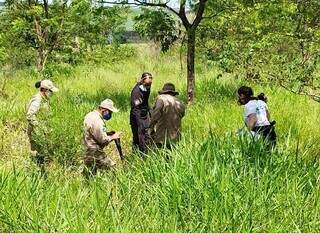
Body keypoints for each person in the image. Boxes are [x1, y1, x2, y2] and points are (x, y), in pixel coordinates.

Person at [83, 99, 121, 175]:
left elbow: (93, 132)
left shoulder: (90, 115)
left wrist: (107, 133)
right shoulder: (98, 120)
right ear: (104, 110)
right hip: (94, 151)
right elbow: (102, 140)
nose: (110, 114)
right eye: (110, 112)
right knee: (113, 169)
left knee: (90, 174)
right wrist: (113, 136)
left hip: (86, 149)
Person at [26, 79, 59, 165]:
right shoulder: (38, 100)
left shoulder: (45, 98)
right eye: (50, 91)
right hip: (36, 131)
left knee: (45, 151)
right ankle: (38, 168)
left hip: (43, 129)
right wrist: (39, 127)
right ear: (44, 90)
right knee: (40, 152)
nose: (52, 93)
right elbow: (30, 115)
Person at [149, 83, 185, 149]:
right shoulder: (179, 102)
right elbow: (182, 114)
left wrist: (151, 127)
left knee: (160, 154)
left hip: (162, 134)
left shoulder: (161, 99)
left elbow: (156, 113)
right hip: (175, 135)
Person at [130, 72, 153, 154]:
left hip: (144, 113)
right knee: (141, 134)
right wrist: (140, 122)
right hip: (137, 115)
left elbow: (145, 102)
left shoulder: (147, 88)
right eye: (147, 84)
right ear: (142, 81)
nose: (148, 86)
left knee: (146, 134)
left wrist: (151, 111)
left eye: (150, 84)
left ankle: (145, 152)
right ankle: (141, 154)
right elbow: (135, 108)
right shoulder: (136, 92)